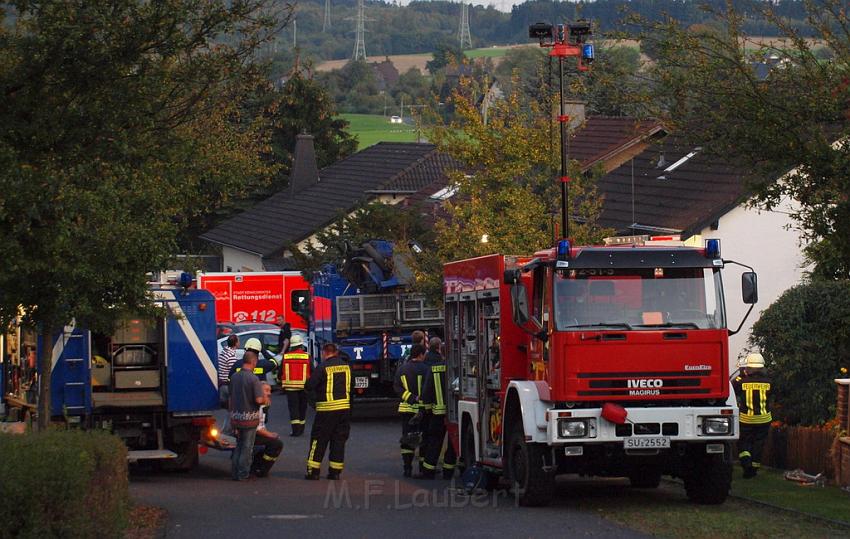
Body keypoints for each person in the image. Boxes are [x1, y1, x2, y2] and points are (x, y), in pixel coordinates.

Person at [304, 343, 352, 480]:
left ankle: (313, 471)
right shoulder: (346, 366)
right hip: (344, 409)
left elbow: (310, 385)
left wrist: (312, 399)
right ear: (336, 352)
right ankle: (335, 472)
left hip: (327, 409)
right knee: (339, 440)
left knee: (318, 440)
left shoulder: (322, 367)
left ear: (324, 353)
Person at [419, 337, 457, 480]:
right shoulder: (458, 367)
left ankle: (428, 470)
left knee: (435, 441)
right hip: (455, 412)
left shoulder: (434, 369)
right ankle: (449, 471)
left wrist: (427, 409)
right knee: (453, 442)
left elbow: (427, 391)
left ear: (440, 353)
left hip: (437, 413)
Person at [229, 350, 269, 481]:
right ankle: (243, 474)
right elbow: (258, 400)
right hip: (250, 418)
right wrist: (265, 400)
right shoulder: (253, 378)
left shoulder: (234, 377)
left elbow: (230, 397)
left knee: (239, 446)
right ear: (253, 362)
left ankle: (235, 473)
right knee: (247, 447)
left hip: (236, 417)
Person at [733, 352, 772, 479]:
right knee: (758, 444)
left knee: (743, 443)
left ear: (748, 368)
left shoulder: (741, 382)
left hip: (746, 419)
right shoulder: (769, 382)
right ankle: (754, 468)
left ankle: (746, 464)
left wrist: (740, 374)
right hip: (764, 419)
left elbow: (732, 388)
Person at [394, 343, 429, 477]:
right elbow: (429, 388)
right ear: (420, 354)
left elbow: (397, 388)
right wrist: (418, 399)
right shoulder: (426, 369)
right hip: (422, 410)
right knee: (423, 439)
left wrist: (411, 398)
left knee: (407, 439)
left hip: (406, 409)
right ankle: (422, 468)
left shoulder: (402, 369)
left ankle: (407, 468)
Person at [251, 383, 284, 477]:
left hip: (251, 432)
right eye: (266, 390)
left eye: (270, 391)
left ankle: (256, 466)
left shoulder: (263, 405)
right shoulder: (257, 404)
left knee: (269, 442)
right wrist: (269, 434)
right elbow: (257, 428)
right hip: (248, 433)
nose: (269, 393)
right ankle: (261, 470)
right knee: (276, 444)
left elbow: (262, 424)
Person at [281, 334, 311, 436]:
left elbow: (280, 372)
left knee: (293, 409)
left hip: (290, 389)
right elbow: (312, 371)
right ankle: (301, 429)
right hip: (304, 388)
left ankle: (295, 431)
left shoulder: (286, 356)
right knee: (302, 408)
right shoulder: (307, 356)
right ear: (301, 345)